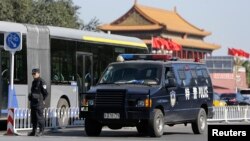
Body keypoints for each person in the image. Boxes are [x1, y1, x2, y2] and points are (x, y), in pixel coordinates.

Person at [28, 68, 48, 136]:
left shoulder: (42, 82)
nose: (33, 75)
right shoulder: (34, 82)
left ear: (38, 74)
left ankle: (41, 131)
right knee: (33, 118)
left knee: (39, 117)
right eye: (32, 74)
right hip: (33, 102)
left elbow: (45, 93)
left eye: (34, 73)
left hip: (39, 103)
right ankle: (34, 131)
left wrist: (43, 100)